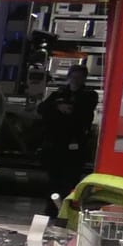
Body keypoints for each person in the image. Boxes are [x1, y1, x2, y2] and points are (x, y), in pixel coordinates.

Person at [39, 64, 98, 215]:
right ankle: (51, 208)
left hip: (75, 142)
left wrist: (68, 108)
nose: (75, 80)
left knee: (70, 180)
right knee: (54, 179)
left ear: (84, 79)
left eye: (79, 77)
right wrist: (57, 106)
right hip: (55, 142)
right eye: (73, 76)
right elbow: (42, 109)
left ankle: (67, 210)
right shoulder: (59, 93)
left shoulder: (89, 94)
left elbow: (83, 111)